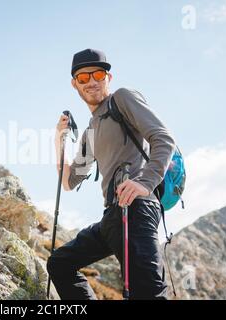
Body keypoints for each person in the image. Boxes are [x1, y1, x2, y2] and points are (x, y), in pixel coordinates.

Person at [47, 48, 176, 300]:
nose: (92, 82)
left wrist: (145, 183)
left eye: (98, 74)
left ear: (109, 77)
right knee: (59, 264)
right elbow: (69, 181)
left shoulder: (123, 99)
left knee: (148, 294)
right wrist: (58, 141)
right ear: (75, 84)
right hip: (113, 217)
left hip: (137, 210)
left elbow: (163, 138)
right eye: (83, 78)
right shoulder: (91, 131)